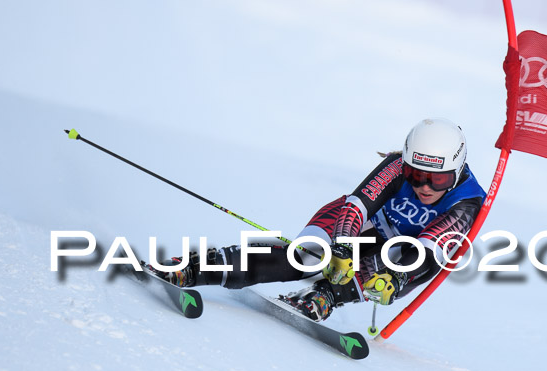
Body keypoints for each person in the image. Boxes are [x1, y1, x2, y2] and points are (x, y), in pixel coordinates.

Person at [152, 118, 486, 321]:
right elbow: (357, 206)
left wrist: (395, 279)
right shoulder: (396, 166)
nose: (424, 186)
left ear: (455, 172)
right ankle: (198, 268)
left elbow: (427, 251)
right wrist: (341, 247)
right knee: (307, 257)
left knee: (399, 269)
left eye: (437, 180)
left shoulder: (468, 201)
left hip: (403, 248)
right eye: (415, 174)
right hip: (364, 225)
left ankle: (327, 295)